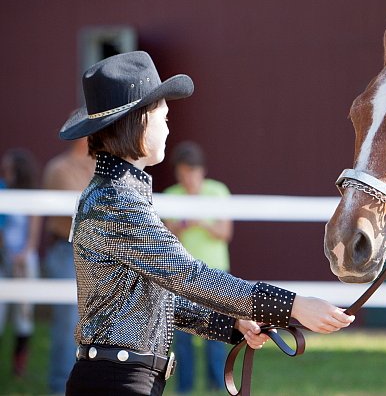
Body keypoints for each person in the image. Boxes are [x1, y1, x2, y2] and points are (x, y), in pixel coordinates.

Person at [58, 51, 354, 395]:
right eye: (163, 117)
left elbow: (157, 299)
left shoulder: (118, 193)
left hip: (119, 380)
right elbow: (187, 275)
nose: (169, 127)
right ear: (138, 121)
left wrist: (231, 322)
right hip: (114, 383)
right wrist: (292, 305)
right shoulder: (116, 200)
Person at [163, 141, 233, 393]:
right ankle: (185, 387)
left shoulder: (217, 191)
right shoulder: (171, 195)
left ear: (201, 171)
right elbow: (164, 238)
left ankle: (216, 385)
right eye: (182, 174)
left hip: (215, 271)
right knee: (182, 336)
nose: (187, 179)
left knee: (217, 333)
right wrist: (182, 224)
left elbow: (224, 232)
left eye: (191, 173)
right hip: (181, 273)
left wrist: (200, 221)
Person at [41, 135, 95, 394]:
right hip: (66, 249)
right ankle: (59, 387)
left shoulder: (99, 165)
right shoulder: (59, 168)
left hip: (95, 253)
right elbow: (83, 207)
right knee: (68, 323)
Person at [0, 148, 42, 377]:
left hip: (25, 261)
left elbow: (33, 235)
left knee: (23, 315)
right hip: (3, 257)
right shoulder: (2, 191)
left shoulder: (30, 195)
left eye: (9, 165)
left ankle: (19, 365)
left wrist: (22, 256)